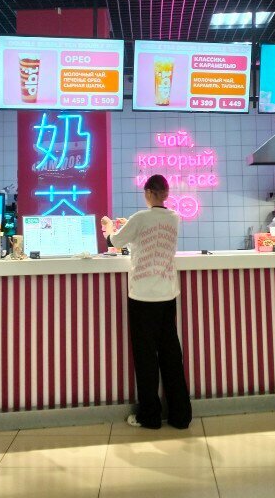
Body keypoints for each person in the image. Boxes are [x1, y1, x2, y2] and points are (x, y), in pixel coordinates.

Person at [101, 174, 192, 430]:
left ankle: (150, 416)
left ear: (149, 193)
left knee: (146, 358)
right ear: (166, 193)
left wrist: (108, 226)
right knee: (171, 355)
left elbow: (114, 242)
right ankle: (180, 416)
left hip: (142, 297)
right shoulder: (174, 218)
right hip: (167, 295)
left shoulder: (140, 218)